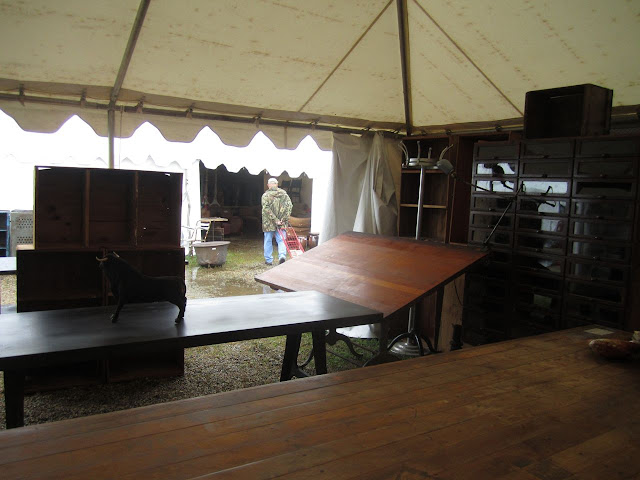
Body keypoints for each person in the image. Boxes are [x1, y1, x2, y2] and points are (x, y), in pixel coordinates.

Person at [261, 177, 293, 265]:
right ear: (277, 184)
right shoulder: (284, 194)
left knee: (268, 241)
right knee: (281, 240)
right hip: (282, 223)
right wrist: (283, 219)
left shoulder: (265, 196)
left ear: (268, 185)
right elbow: (289, 206)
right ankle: (282, 256)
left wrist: (275, 220)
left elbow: (266, 209)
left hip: (269, 223)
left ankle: (268, 260)